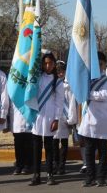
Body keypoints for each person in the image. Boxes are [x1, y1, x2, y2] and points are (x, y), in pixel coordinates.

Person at [79, 52, 107, 187]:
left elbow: (104, 95)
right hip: (89, 119)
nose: (99, 66)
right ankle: (90, 177)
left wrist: (87, 93)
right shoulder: (87, 80)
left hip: (102, 120)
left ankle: (101, 177)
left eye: (101, 64)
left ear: (105, 64)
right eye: (96, 64)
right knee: (89, 151)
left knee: (102, 151)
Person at [30, 52, 65, 186]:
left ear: (54, 64)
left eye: (50, 63)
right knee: (36, 147)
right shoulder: (37, 78)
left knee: (49, 147)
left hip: (50, 116)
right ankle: (36, 174)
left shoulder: (57, 81)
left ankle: (50, 173)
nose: (48, 65)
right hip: (37, 116)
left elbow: (59, 102)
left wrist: (56, 119)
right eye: (45, 63)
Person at [52, 61, 77, 175]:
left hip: (66, 117)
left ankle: (62, 165)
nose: (60, 74)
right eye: (58, 72)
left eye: (62, 71)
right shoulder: (53, 84)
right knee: (54, 142)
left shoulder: (70, 85)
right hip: (55, 116)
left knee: (64, 142)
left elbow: (71, 102)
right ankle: (55, 163)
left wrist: (71, 118)